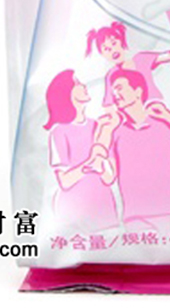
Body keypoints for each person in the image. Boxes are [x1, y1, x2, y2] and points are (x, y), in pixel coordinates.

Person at [89, 32, 170, 235]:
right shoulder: (116, 133)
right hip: (134, 219)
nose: (116, 95)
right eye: (113, 92)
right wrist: (99, 156)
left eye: (120, 88)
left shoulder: (165, 121)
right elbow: (108, 175)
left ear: (138, 92)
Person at [85, 20, 170, 152]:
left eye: (114, 43)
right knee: (107, 124)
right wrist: (114, 117)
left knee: (157, 109)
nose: (113, 50)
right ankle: (98, 156)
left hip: (148, 105)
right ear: (102, 54)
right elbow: (108, 104)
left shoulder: (141, 59)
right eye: (107, 49)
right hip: (127, 112)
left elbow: (169, 56)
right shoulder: (111, 75)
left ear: (121, 41)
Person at [43, 70, 119, 232]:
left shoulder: (99, 127)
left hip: (104, 210)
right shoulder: (59, 132)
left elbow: (110, 177)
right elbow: (65, 181)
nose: (84, 86)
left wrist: (104, 138)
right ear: (67, 93)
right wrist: (89, 164)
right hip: (72, 214)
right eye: (77, 83)